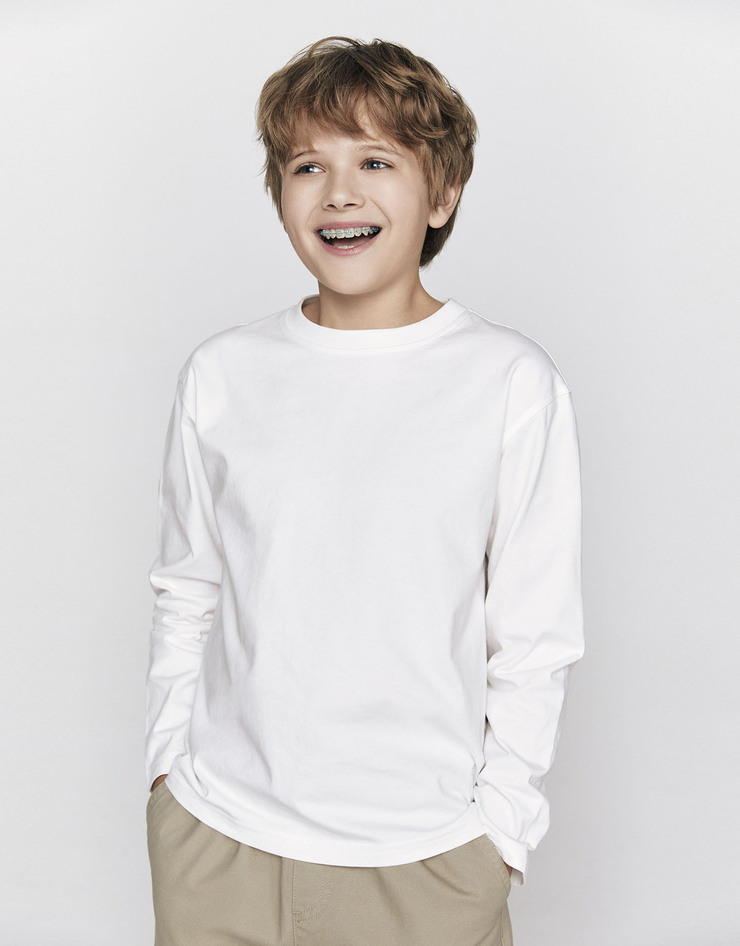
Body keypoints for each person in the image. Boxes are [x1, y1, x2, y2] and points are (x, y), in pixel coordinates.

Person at [145, 36, 584, 946]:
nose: (339, 192)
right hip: (221, 843)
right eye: (308, 165)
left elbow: (533, 638)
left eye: (376, 161)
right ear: (281, 195)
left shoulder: (509, 382)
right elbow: (189, 589)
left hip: (426, 857)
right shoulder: (223, 375)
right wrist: (166, 777)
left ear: (443, 193)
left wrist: (499, 836)